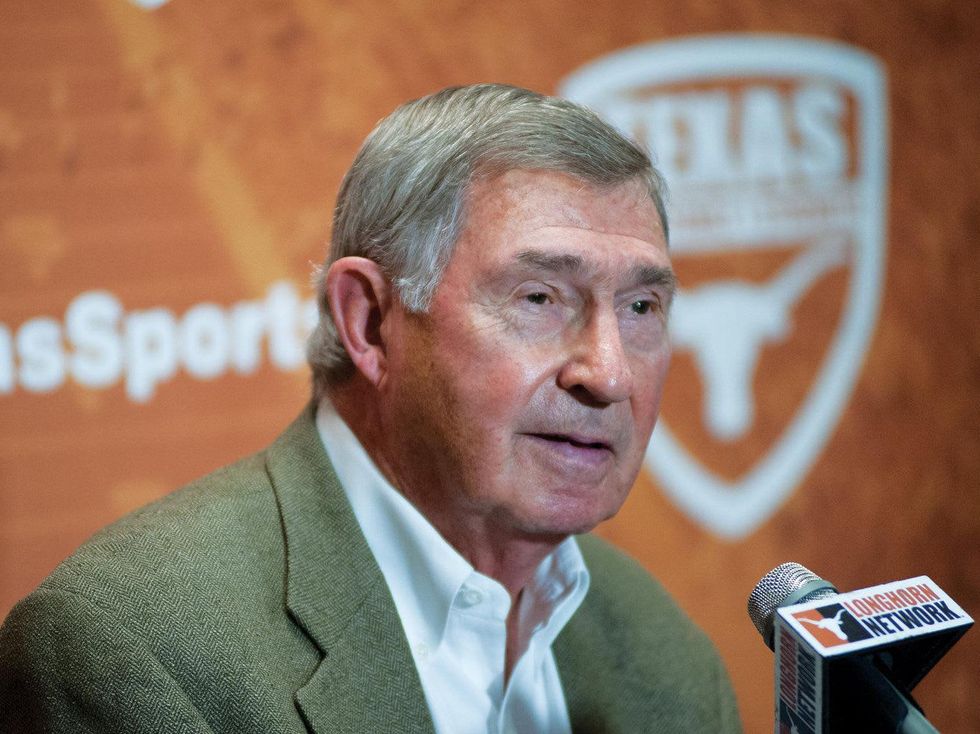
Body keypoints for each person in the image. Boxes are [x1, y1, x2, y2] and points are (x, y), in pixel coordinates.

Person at [0, 84, 741, 733]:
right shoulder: (133, 651)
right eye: (540, 298)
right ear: (370, 322)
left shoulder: (665, 655)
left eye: (641, 307)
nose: (608, 373)